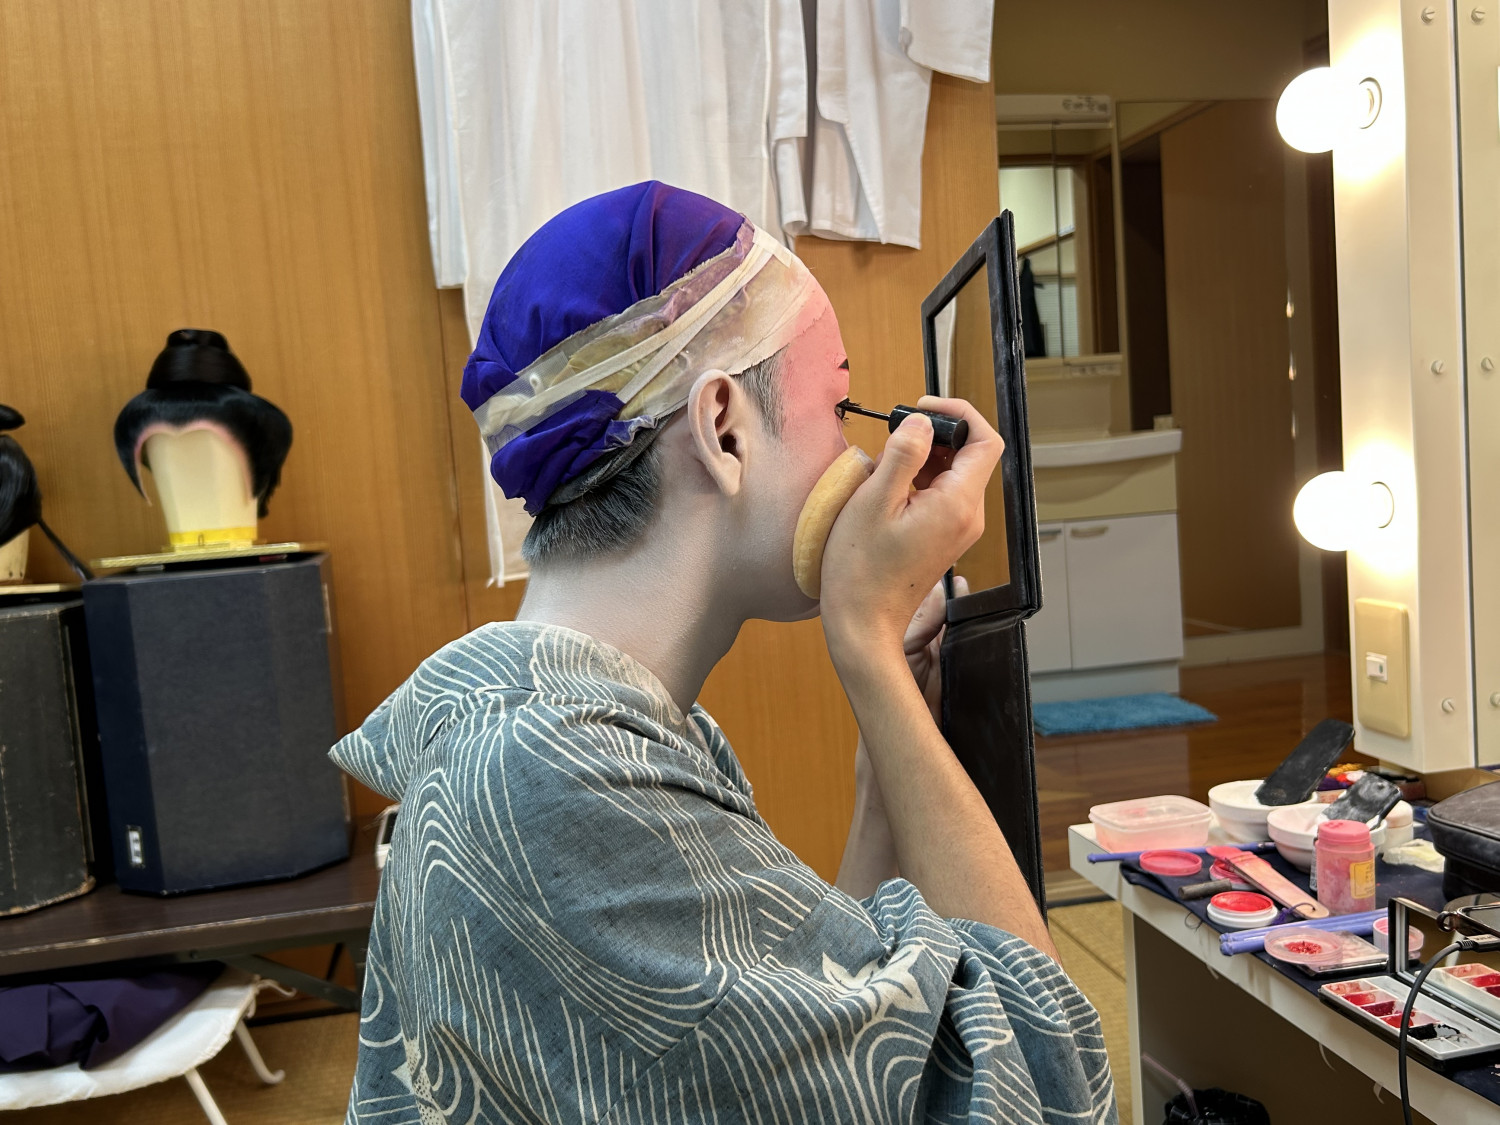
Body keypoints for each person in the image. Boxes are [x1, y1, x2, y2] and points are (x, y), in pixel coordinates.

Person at [329, 181, 1115, 1124]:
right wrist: (864, 640)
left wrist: (886, 755)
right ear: (724, 427)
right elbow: (1045, 1076)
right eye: (841, 406)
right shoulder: (561, 783)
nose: (864, 461)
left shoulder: (592, 727)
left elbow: (827, 1019)